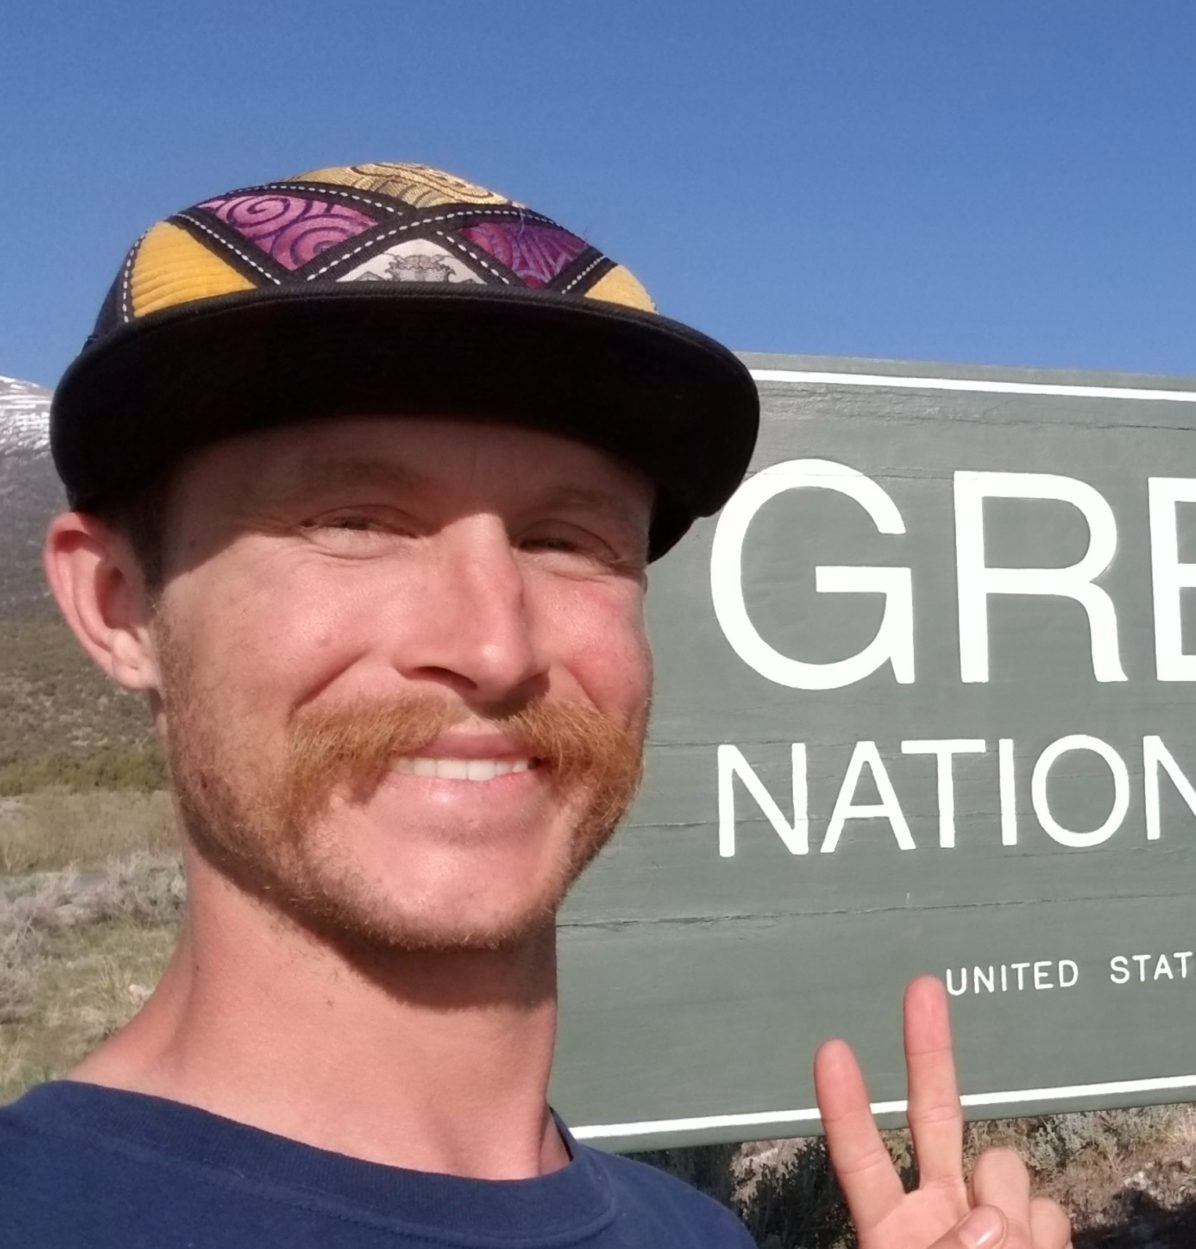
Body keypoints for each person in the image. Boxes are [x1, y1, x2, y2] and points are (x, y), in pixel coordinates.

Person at [0, 161, 1070, 1249]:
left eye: (564, 539)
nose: (493, 644)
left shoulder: (698, 1234)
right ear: (117, 605)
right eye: (355, 521)